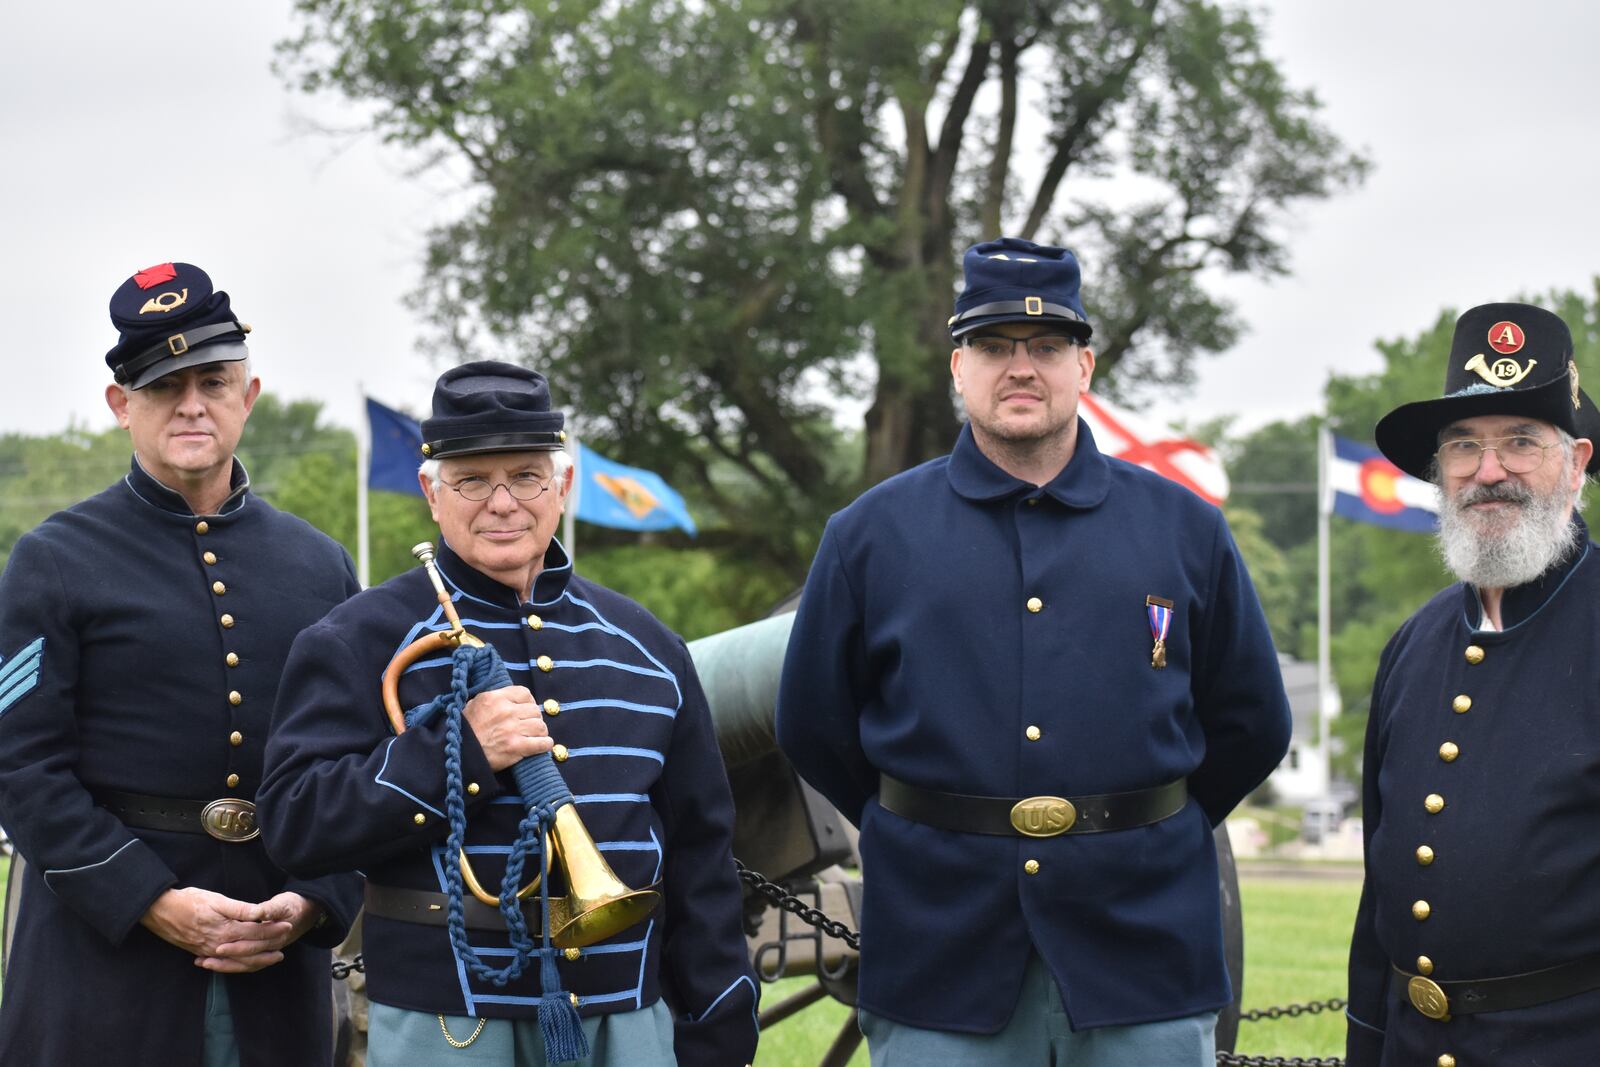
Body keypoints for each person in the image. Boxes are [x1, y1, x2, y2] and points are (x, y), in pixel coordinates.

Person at [774, 236, 1293, 1065]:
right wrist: (931, 826)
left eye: (1047, 346)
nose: (1021, 367)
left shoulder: (1185, 530)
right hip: (938, 955)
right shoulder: (868, 536)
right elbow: (812, 723)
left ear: (1083, 367)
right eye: (992, 346)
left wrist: (1142, 831)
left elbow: (1254, 723)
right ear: (957, 366)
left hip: (1144, 951)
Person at [258, 361, 758, 1067]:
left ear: (563, 486)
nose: (502, 502)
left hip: (627, 1014)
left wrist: (717, 1029)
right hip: (448, 1020)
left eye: (525, 475)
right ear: (432, 493)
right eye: (471, 480)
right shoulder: (356, 639)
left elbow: (702, 858)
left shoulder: (648, 649)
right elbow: (294, 820)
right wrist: (456, 752)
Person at [0, 261, 364, 1065]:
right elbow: (21, 767)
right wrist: (150, 898)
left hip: (278, 960)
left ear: (250, 394)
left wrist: (315, 900)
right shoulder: (52, 559)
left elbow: (358, 762)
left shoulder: (320, 564)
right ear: (121, 405)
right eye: (165, 386)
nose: (192, 403)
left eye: (213, 380)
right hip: (103, 962)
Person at [1345, 303, 1600, 1066]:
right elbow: (1378, 894)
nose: (1489, 472)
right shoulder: (1414, 644)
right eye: (1463, 447)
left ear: (1577, 461)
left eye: (1521, 441)